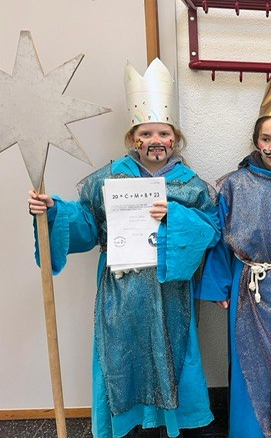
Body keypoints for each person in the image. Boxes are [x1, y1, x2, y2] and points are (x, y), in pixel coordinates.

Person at [27, 58, 219, 438]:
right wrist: (54, 212)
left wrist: (177, 217)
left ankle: (169, 423)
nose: (155, 141)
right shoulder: (110, 177)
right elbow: (87, 224)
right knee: (121, 358)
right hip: (121, 294)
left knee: (172, 356)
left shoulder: (190, 184)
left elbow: (211, 230)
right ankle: (129, 425)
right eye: (146, 133)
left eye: (163, 133)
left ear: (175, 139)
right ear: (134, 138)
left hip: (169, 296)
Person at [196, 65, 271, 438]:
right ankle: (248, 430)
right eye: (266, 138)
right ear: (255, 141)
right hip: (248, 284)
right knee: (249, 359)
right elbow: (220, 236)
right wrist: (220, 285)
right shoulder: (235, 184)